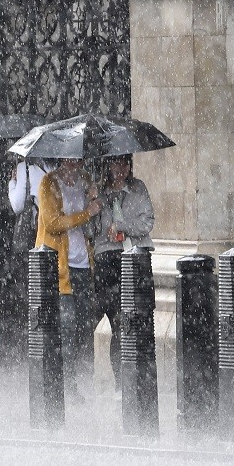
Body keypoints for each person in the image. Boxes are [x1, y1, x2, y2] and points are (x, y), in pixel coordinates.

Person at [36, 157, 101, 402]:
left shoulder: (85, 180)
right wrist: (87, 212)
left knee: (85, 324)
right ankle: (66, 384)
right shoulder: (48, 183)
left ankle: (84, 380)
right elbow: (52, 223)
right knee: (67, 325)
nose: (74, 161)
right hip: (61, 265)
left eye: (78, 157)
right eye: (69, 157)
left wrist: (94, 198)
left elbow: (91, 223)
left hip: (83, 262)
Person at [89, 154, 155, 396]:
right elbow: (90, 231)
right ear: (107, 165)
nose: (120, 169)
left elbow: (148, 222)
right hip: (108, 260)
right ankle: (120, 381)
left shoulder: (138, 188)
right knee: (117, 322)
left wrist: (124, 226)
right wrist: (92, 206)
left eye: (125, 163)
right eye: (116, 163)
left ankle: (139, 380)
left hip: (135, 257)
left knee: (136, 322)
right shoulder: (99, 191)